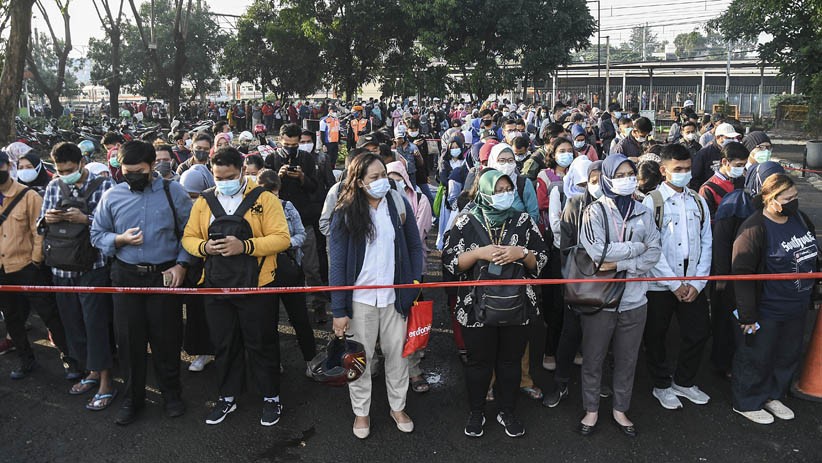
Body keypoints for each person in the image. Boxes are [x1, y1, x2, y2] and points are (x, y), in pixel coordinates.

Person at [182, 147, 291, 427]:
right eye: (218, 176)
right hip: (217, 287)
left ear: (242, 171)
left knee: (261, 342)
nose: (223, 181)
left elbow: (281, 238)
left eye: (229, 176)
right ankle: (227, 395)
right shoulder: (204, 202)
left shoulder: (264, 199)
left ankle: (271, 397)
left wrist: (245, 246)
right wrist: (205, 246)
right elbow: (188, 238)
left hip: (257, 286)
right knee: (224, 343)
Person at [90, 140, 194, 425]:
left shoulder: (174, 193)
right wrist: (119, 240)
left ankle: (172, 395)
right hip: (125, 276)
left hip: (165, 276)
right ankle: (132, 400)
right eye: (127, 171)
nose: (132, 176)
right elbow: (97, 234)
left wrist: (182, 264)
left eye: (138, 170)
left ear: (152, 167)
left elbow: (190, 233)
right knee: (129, 342)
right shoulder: (112, 196)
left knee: (167, 340)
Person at [443, 169, 548, 438]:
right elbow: (450, 262)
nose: (504, 195)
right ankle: (476, 411)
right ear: (484, 191)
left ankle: (507, 410)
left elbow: (542, 261)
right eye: (497, 190)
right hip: (475, 307)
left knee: (510, 362)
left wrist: (521, 253)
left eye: (507, 189)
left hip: (518, 305)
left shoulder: (523, 219)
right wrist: (479, 253)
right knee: (479, 362)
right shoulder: (466, 220)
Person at [329, 153, 423, 439]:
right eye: (375, 177)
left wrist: (413, 283)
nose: (383, 181)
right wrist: (338, 310)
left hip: (395, 297)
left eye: (384, 174)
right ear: (358, 182)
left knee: (398, 355)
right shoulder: (345, 213)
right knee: (360, 359)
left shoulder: (396, 203)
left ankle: (398, 407)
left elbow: (415, 247)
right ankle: (361, 412)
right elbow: (337, 263)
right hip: (361, 301)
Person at [577, 154, 662, 437]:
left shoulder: (644, 211)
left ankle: (620, 409)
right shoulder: (594, 212)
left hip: (636, 299)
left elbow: (654, 251)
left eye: (630, 173)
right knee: (593, 356)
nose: (627, 178)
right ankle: (591, 409)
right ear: (607, 178)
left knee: (627, 358)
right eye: (621, 174)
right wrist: (634, 250)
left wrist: (623, 260)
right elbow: (598, 255)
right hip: (601, 299)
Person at [731, 174, 818, 424]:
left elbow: (812, 251)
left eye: (795, 196)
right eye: (788, 198)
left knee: (787, 354)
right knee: (757, 356)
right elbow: (742, 274)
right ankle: (747, 402)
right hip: (767, 309)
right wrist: (747, 315)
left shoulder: (799, 218)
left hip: (796, 305)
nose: (794, 202)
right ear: (771, 199)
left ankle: (773, 395)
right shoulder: (754, 228)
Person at [40, 142, 117, 410]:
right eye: (60, 170)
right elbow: (41, 225)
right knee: (73, 324)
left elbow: (112, 226)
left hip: (93, 267)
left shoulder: (104, 186)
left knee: (96, 324)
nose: (64, 174)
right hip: (60, 268)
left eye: (70, 169)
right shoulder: (53, 186)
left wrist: (84, 219)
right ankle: (90, 371)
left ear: (82, 163)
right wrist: (47, 219)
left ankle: (107, 381)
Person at [641, 144, 713, 411]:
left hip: (691, 283)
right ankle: (661, 384)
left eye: (687, 169)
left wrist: (697, 282)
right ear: (664, 170)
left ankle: (684, 381)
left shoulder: (697, 200)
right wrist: (674, 284)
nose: (684, 174)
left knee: (699, 333)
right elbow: (652, 247)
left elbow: (707, 242)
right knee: (656, 335)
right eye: (677, 169)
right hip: (661, 285)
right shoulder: (652, 202)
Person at [0, 150, 77, 380]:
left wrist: (35, 260)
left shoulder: (28, 196)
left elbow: (39, 231)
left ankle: (70, 359)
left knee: (49, 314)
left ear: (8, 167)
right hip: (2, 270)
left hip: (27, 266)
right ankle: (26, 360)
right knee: (12, 317)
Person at [711, 161, 785, 377]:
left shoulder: (781, 204)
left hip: (764, 276)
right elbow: (721, 242)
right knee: (729, 323)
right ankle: (724, 365)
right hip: (735, 275)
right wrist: (722, 275)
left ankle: (754, 364)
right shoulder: (735, 202)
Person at [547, 160, 603, 407]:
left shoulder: (616, 205)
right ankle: (561, 383)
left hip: (609, 284)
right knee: (571, 333)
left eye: (604, 179)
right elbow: (566, 247)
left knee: (601, 337)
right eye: (592, 180)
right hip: (579, 281)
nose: (597, 185)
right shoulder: (575, 204)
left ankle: (598, 384)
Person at [256, 169, 318, 373]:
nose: (272, 198)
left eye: (274, 193)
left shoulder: (287, 207)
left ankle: (311, 361)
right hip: (263, 271)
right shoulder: (252, 210)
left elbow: (302, 234)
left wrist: (284, 243)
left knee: (299, 316)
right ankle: (274, 363)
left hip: (289, 267)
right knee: (267, 321)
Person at [386, 160, 433, 392]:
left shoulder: (418, 200)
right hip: (381, 279)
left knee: (409, 322)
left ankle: (414, 370)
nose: (391, 183)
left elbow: (416, 236)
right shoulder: (373, 205)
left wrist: (414, 276)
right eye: (388, 178)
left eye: (397, 178)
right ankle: (381, 366)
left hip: (409, 273)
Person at [699, 141, 748, 219]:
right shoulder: (708, 189)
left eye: (744, 165)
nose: (741, 168)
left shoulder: (743, 181)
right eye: (738, 165)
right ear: (724, 162)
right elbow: (708, 219)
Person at [690, 122, 741, 190]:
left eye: (733, 138)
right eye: (728, 138)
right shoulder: (704, 153)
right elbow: (695, 178)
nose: (732, 140)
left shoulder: (736, 151)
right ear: (718, 137)